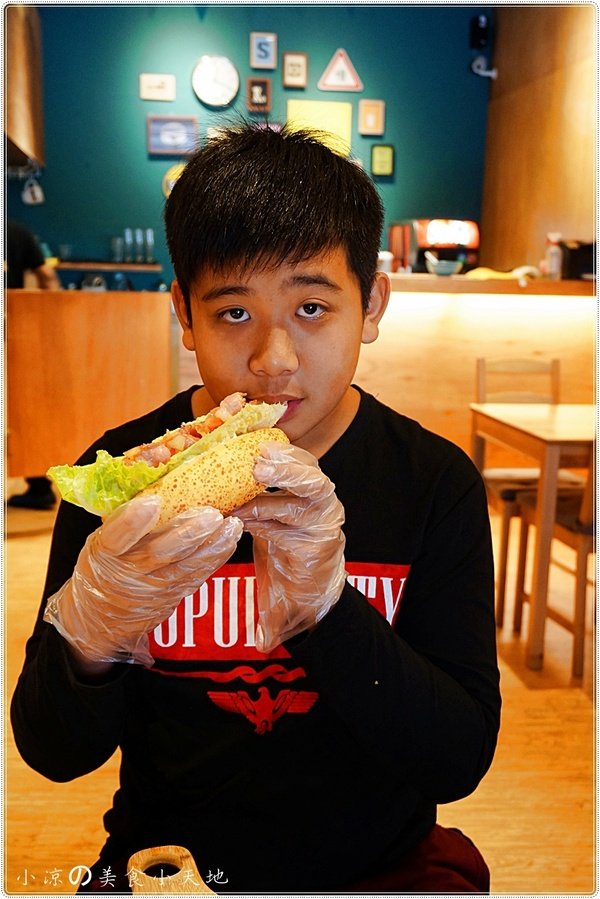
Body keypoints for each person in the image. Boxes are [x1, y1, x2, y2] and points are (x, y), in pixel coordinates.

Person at [11, 123, 501, 894]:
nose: (275, 360)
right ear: (184, 311)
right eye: (234, 313)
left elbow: (458, 759)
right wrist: (93, 634)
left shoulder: (434, 482)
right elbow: (53, 751)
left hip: (374, 864)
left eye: (312, 306)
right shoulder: (123, 479)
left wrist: (326, 610)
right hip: (169, 863)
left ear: (371, 304)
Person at [6, 218, 61, 510]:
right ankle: (39, 486)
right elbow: (47, 277)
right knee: (25, 406)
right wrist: (50, 319)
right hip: (15, 330)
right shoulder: (16, 231)